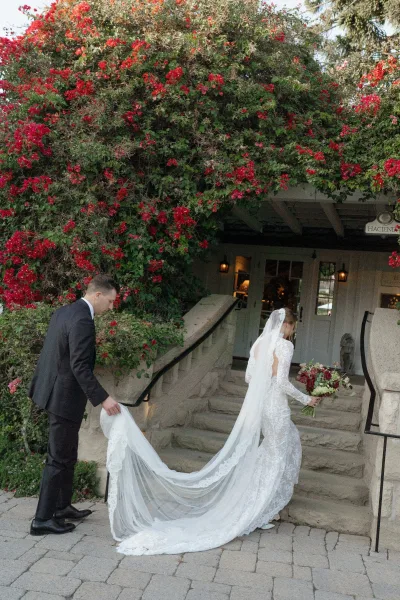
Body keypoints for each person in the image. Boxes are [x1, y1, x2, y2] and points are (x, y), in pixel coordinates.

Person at [101, 307, 321, 555]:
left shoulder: (259, 343)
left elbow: (249, 378)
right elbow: (281, 382)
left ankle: (263, 504)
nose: (291, 333)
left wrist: (266, 381)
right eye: (293, 329)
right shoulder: (284, 346)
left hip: (262, 410)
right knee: (277, 453)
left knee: (275, 448)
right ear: (288, 326)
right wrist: (307, 399)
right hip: (277, 407)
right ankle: (259, 509)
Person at [29, 274, 121, 536]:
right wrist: (103, 398)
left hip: (56, 393)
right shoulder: (82, 319)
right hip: (63, 397)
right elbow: (79, 365)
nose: (111, 307)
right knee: (57, 459)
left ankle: (62, 507)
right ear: (98, 295)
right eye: (111, 302)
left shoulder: (65, 311)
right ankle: (42, 520)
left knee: (68, 454)